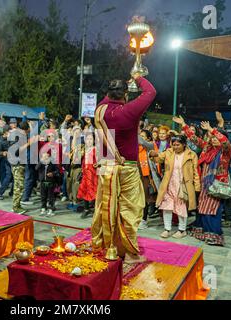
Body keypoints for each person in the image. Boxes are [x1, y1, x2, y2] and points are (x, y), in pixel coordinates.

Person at [92, 74, 156, 264]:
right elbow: (151, 91)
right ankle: (127, 251)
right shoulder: (130, 110)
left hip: (105, 165)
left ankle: (102, 245)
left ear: (108, 93)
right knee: (129, 209)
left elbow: (107, 99)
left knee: (104, 206)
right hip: (125, 166)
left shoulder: (100, 110)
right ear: (125, 95)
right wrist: (138, 78)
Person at [175, 116, 231, 246]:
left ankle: (214, 235)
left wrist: (211, 129)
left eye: (215, 137)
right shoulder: (207, 149)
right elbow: (194, 139)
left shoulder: (225, 151)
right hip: (205, 183)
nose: (213, 139)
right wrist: (184, 125)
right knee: (203, 207)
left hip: (217, 184)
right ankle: (203, 232)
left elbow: (225, 141)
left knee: (213, 209)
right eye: (211, 137)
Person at [150, 135, 201, 239]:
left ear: (184, 144)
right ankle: (167, 229)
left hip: (183, 185)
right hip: (169, 184)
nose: (175, 147)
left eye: (178, 145)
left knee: (181, 207)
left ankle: (182, 230)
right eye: (174, 145)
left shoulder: (191, 155)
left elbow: (196, 171)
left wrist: (197, 187)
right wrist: (153, 155)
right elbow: (159, 158)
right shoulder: (169, 152)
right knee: (166, 207)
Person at [138, 129, 161, 229]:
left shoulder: (150, 146)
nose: (140, 138)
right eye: (140, 136)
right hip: (135, 176)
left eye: (143, 136)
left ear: (148, 138)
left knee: (145, 199)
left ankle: (143, 220)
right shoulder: (135, 148)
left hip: (146, 177)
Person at [77, 132, 98, 219]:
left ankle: (96, 209)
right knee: (85, 190)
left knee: (95, 191)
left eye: (91, 139)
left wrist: (98, 164)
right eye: (87, 139)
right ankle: (86, 209)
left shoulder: (95, 149)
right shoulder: (85, 149)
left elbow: (98, 160)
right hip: (86, 174)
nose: (89, 141)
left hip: (93, 174)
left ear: (94, 140)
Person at [36, 152, 60, 217]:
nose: (45, 158)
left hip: (50, 183)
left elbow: (57, 171)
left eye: (47, 157)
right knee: (43, 196)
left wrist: (52, 173)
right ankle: (43, 208)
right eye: (44, 157)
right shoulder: (41, 164)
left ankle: (51, 209)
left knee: (51, 197)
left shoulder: (52, 163)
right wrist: (41, 161)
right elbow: (36, 168)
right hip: (42, 182)